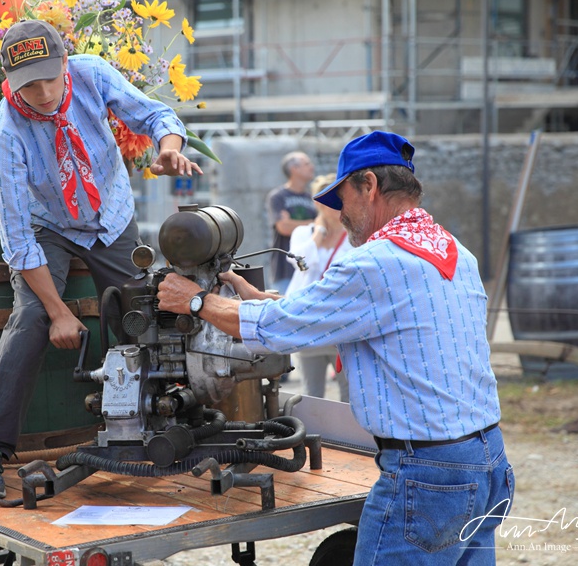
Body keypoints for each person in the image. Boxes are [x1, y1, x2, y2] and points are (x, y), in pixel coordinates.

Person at [157, 131, 513, 564]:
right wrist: (254, 297)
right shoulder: (454, 251)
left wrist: (195, 301)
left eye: (341, 197)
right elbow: (329, 312)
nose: (338, 213)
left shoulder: (375, 263)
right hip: (486, 457)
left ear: (369, 185)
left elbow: (282, 328)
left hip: (427, 473)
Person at [0, 19, 201, 498]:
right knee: (29, 318)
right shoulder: (4, 133)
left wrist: (169, 150)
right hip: (47, 228)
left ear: (66, 64)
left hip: (110, 216)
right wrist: (57, 312)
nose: (44, 91)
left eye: (51, 77)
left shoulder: (93, 74)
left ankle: (166, 420)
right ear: (11, 84)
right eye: (29, 84)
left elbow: (156, 116)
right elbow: (16, 241)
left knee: (142, 312)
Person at [284, 173, 351, 401]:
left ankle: (347, 437)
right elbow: (300, 262)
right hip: (309, 323)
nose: (337, 205)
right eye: (330, 199)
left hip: (340, 326)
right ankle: (314, 437)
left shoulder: (354, 236)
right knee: (312, 396)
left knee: (349, 395)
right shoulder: (303, 233)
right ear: (318, 203)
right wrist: (319, 233)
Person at [265, 151, 317, 292]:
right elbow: (284, 227)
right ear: (294, 169)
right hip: (284, 272)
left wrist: (292, 222)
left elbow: (323, 224)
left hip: (310, 268)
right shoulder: (277, 196)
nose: (312, 167)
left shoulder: (313, 198)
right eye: (307, 164)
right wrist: (312, 223)